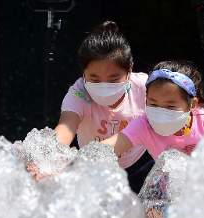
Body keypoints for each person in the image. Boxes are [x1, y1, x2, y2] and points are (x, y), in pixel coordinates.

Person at [56, 21, 153, 194]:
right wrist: (46, 156)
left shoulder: (146, 88)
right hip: (95, 169)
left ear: (130, 69)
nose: (104, 86)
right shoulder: (78, 95)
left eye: (114, 79)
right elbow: (64, 130)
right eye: (94, 79)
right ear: (83, 72)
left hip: (140, 165)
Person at [101, 60, 204, 161]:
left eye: (170, 106)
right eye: (153, 104)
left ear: (192, 104)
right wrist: (86, 158)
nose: (160, 113)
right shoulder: (144, 126)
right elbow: (109, 148)